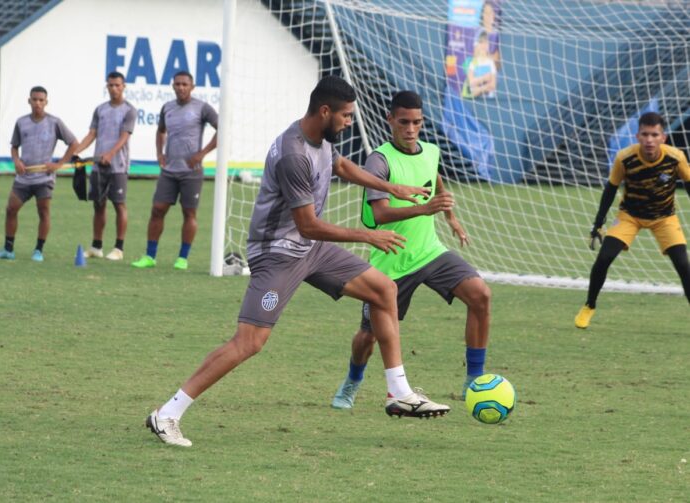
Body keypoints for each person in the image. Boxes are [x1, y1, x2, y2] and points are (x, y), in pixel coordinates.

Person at [145, 76, 455, 447]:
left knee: (383, 289)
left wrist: (392, 188)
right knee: (249, 342)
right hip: (277, 253)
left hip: (309, 249)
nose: (348, 122)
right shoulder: (294, 153)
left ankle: (398, 392)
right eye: (345, 116)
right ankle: (167, 413)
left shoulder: (321, 138)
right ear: (325, 111)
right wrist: (367, 235)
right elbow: (308, 225)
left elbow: (341, 166)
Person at [330, 91, 492, 410]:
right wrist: (425, 209)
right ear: (390, 120)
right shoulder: (379, 160)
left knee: (481, 295)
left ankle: (474, 380)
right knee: (369, 336)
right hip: (391, 260)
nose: (410, 129)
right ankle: (352, 381)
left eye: (417, 122)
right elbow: (378, 213)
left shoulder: (431, 151)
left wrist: (451, 216)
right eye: (403, 122)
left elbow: (434, 177)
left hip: (429, 251)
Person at [575, 112, 690, 328]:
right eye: (645, 134)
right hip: (630, 216)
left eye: (654, 134)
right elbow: (610, 189)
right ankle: (589, 305)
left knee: (684, 265)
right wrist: (598, 222)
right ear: (637, 136)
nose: (649, 140)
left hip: (664, 217)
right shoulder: (624, 157)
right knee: (604, 258)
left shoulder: (676, 157)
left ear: (663, 138)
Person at [131, 71, 218, 270]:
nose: (181, 87)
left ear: (192, 87)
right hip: (169, 170)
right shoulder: (167, 108)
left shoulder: (202, 108)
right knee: (157, 210)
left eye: (185, 84)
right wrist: (159, 153)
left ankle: (182, 258)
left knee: (189, 213)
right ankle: (150, 256)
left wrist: (202, 153)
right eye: (177, 84)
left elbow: (222, 128)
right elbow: (160, 130)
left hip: (191, 171)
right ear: (172, 86)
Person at [0, 86, 78, 262]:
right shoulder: (21, 122)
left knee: (43, 212)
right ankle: (8, 249)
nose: (37, 103)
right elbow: (14, 146)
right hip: (24, 177)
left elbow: (73, 143)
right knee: (11, 209)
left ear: (46, 102)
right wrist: (16, 161)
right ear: (29, 100)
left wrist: (59, 164)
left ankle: (38, 250)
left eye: (41, 100)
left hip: (44, 178)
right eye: (34, 99)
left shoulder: (54, 122)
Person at [75, 71, 137, 261]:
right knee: (98, 205)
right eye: (110, 85)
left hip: (118, 166)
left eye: (117, 85)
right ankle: (96, 247)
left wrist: (110, 154)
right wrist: (76, 151)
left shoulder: (129, 110)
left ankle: (118, 249)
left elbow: (124, 136)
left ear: (124, 86)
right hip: (98, 166)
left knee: (119, 205)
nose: (114, 88)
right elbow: (92, 134)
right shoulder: (100, 109)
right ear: (107, 86)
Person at [464, 31, 497, 99]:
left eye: (486, 43)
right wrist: (484, 79)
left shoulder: (490, 63)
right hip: (475, 97)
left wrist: (479, 86)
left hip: (488, 98)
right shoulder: (474, 62)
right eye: (481, 42)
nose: (483, 45)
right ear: (478, 45)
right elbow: (471, 84)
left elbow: (493, 85)